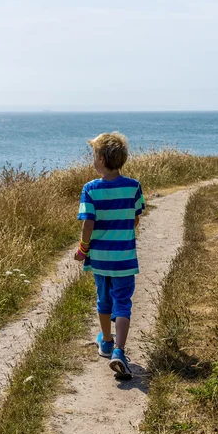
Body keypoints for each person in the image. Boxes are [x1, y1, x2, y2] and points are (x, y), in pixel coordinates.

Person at [74, 132, 145, 379]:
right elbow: (135, 217)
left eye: (94, 156)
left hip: (101, 258)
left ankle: (105, 340)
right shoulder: (133, 187)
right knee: (123, 302)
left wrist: (83, 250)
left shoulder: (90, 189)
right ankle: (119, 350)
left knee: (103, 300)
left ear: (102, 159)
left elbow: (87, 225)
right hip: (125, 257)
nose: (92, 160)